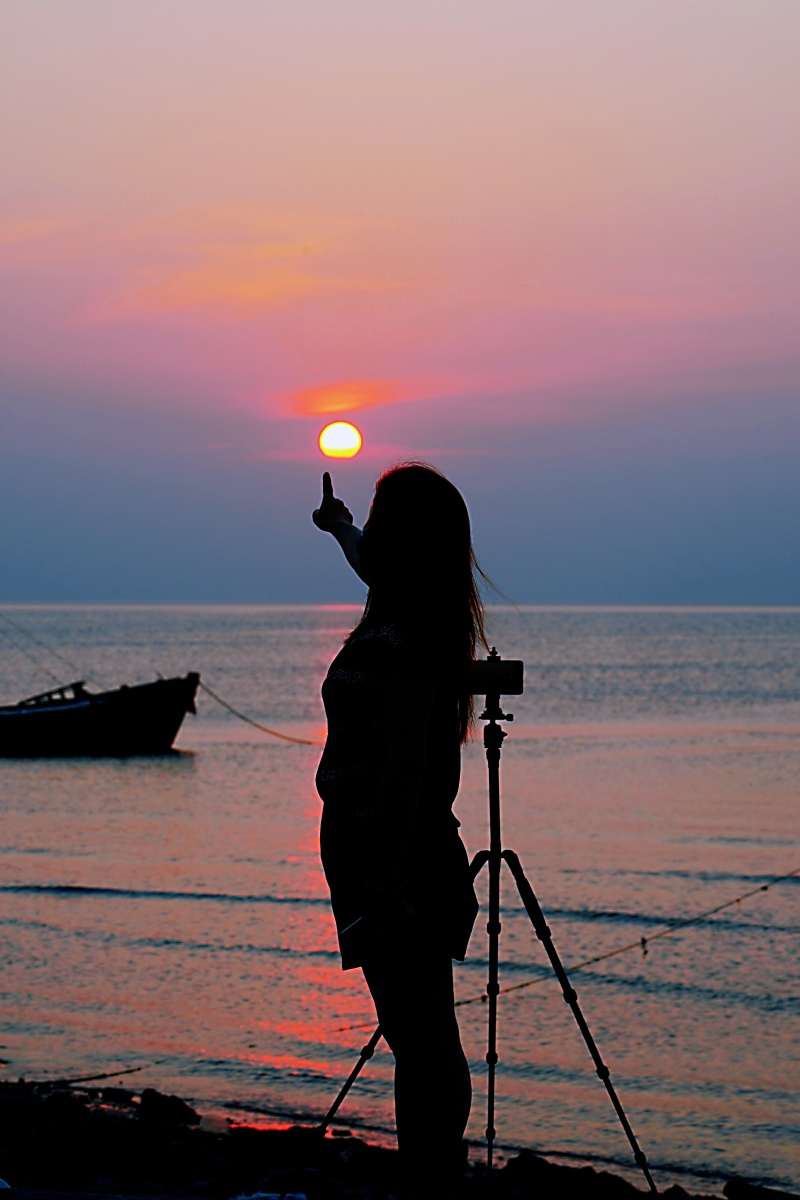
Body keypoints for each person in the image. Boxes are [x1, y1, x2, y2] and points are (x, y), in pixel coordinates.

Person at [312, 463, 485, 1200]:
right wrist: (339, 525)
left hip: (398, 861)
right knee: (412, 1037)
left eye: (382, 515)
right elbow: (365, 557)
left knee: (425, 1042)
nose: (371, 530)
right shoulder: (396, 603)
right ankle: (425, 1190)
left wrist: (384, 881)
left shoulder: (416, 634)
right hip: (365, 858)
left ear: (408, 538)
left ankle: (432, 1196)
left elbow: (408, 769)